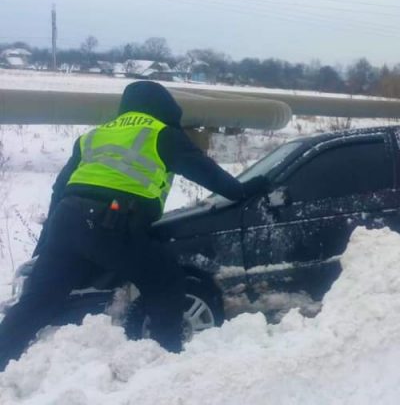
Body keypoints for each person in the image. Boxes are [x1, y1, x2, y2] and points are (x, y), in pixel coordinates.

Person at [0, 81, 269, 371]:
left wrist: (47, 240)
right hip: (112, 222)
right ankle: (168, 359)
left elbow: (59, 188)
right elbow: (210, 176)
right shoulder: (162, 133)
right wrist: (247, 189)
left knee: (36, 302)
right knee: (166, 280)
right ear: (166, 108)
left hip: (66, 220)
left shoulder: (95, 135)